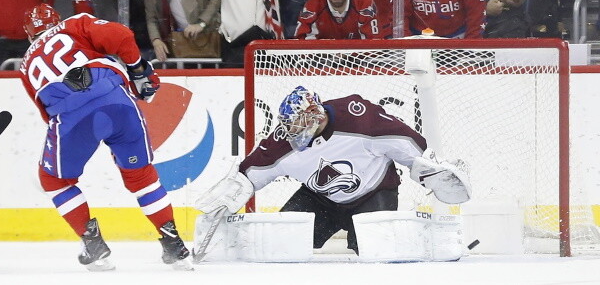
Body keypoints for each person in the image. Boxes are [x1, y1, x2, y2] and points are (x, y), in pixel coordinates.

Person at [195, 86, 471, 254]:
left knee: (373, 249)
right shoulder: (284, 140)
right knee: (283, 241)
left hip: (375, 193)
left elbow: (407, 143)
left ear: (316, 115)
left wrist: (428, 168)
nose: (290, 133)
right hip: (320, 199)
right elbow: (250, 173)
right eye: (288, 125)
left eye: (296, 125)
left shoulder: (359, 119)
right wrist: (230, 196)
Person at [19, 3, 192, 271]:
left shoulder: (26, 65)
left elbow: (48, 113)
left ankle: (94, 246)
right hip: (116, 99)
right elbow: (122, 36)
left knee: (53, 180)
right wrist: (136, 69)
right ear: (56, 20)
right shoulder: (74, 23)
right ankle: (174, 242)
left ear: (30, 35)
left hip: (70, 116)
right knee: (140, 174)